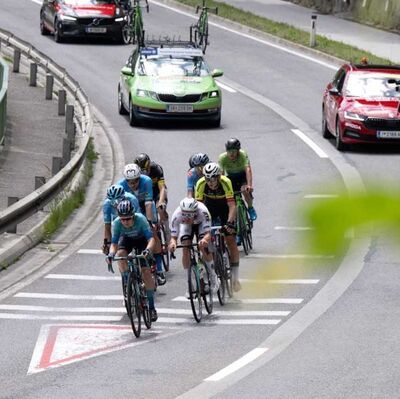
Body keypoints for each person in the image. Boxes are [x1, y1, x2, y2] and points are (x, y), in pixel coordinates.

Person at [107, 200, 158, 322]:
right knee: (121, 254)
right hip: (127, 240)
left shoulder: (140, 219)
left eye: (128, 219)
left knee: (146, 272)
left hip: (141, 240)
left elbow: (151, 239)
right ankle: (127, 280)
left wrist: (148, 250)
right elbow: (114, 244)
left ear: (133, 216)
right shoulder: (117, 223)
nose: (125, 222)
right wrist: (110, 254)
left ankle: (151, 307)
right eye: (122, 219)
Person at [195, 162, 241, 292]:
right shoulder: (200, 183)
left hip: (225, 207)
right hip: (209, 207)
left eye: (213, 179)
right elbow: (199, 207)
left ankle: (235, 279)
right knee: (205, 238)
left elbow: (232, 206)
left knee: (231, 240)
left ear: (219, 177)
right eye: (207, 178)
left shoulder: (226, 182)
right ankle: (209, 271)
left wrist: (230, 223)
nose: (210, 182)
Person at [117, 163, 166, 285]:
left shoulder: (147, 181)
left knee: (153, 232)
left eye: (135, 181)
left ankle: (159, 269)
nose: (133, 184)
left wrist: (149, 222)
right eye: (130, 182)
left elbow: (148, 203)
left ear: (140, 177)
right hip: (131, 209)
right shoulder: (120, 186)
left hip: (145, 207)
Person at [168, 197, 218, 297]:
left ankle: (213, 277)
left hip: (201, 224)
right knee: (185, 247)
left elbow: (208, 234)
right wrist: (173, 244)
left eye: (190, 215)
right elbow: (173, 237)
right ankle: (190, 283)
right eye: (185, 215)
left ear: (195, 212)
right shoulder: (177, 215)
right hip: (186, 226)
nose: (187, 218)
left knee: (204, 247)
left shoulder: (203, 211)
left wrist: (204, 240)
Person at [133, 153, 170, 242]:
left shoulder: (157, 169)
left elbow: (162, 188)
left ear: (149, 165)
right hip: (145, 195)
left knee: (160, 209)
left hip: (157, 193)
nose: (144, 173)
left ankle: (167, 232)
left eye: (145, 170)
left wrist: (161, 201)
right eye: (141, 171)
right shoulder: (135, 173)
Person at [218, 138, 257, 221]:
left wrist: (249, 185)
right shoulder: (222, 158)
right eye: (229, 151)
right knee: (227, 197)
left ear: (238, 151)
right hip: (231, 178)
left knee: (245, 190)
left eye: (234, 151)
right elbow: (221, 175)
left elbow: (248, 170)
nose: (231, 154)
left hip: (242, 176)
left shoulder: (243, 154)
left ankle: (250, 208)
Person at [102, 184, 140, 255]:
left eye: (118, 200)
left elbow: (138, 219)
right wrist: (107, 243)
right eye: (112, 202)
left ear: (124, 197)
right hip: (119, 222)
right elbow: (107, 226)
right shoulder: (106, 204)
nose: (116, 204)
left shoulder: (132, 199)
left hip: (133, 220)